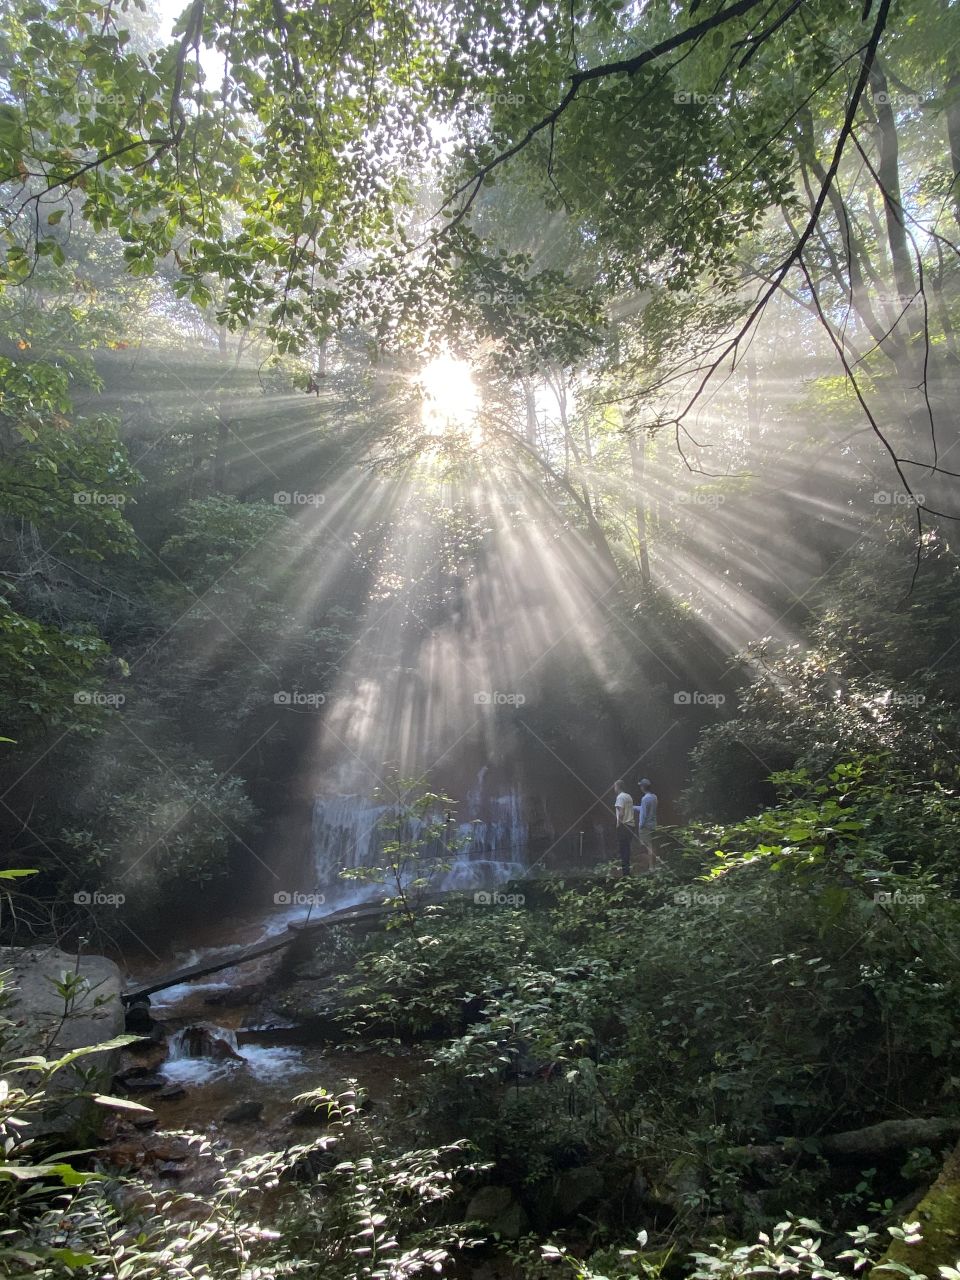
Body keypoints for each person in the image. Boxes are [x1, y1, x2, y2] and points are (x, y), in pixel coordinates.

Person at [634, 778, 658, 871]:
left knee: (647, 847)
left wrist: (640, 826)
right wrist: (634, 807)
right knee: (652, 846)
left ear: (643, 787)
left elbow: (643, 815)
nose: (640, 787)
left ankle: (650, 867)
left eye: (641, 786)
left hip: (645, 827)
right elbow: (644, 809)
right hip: (653, 825)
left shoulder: (644, 799)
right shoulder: (654, 797)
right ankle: (653, 866)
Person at [613, 779, 636, 877]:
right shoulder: (628, 796)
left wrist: (618, 824)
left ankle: (625, 873)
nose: (614, 788)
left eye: (615, 786)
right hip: (631, 825)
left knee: (623, 849)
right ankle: (627, 870)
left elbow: (621, 812)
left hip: (624, 826)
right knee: (627, 848)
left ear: (618, 787)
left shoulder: (620, 797)